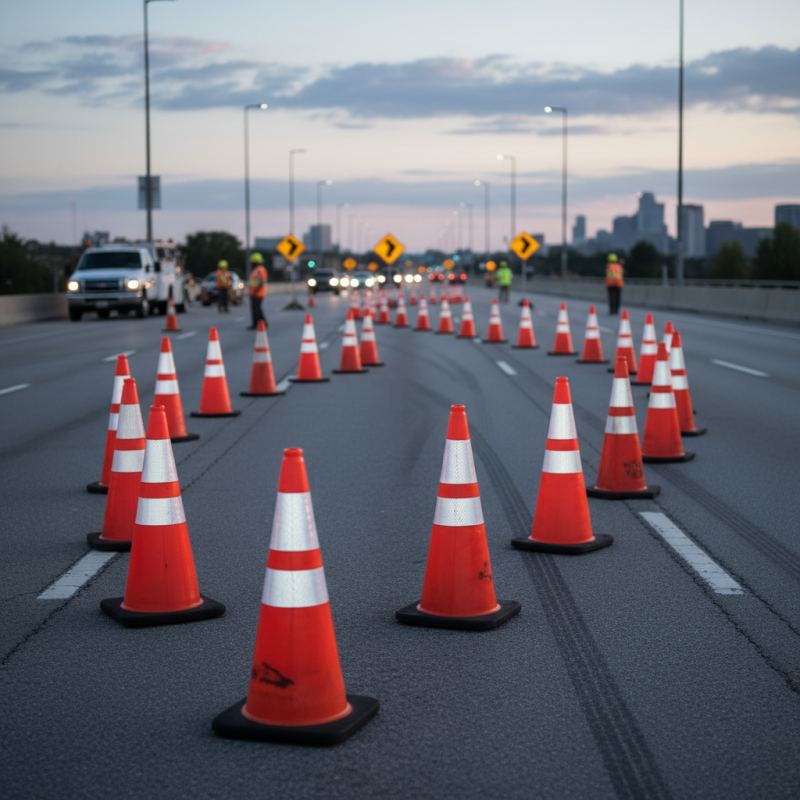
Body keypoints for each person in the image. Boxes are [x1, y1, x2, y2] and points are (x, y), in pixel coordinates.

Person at [247, 252, 268, 330]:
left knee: (257, 309)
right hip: (254, 293)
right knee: (255, 309)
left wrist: (256, 291)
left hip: (258, 293)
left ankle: (261, 324)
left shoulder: (260, 270)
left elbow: (261, 282)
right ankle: (257, 324)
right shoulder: (256, 270)